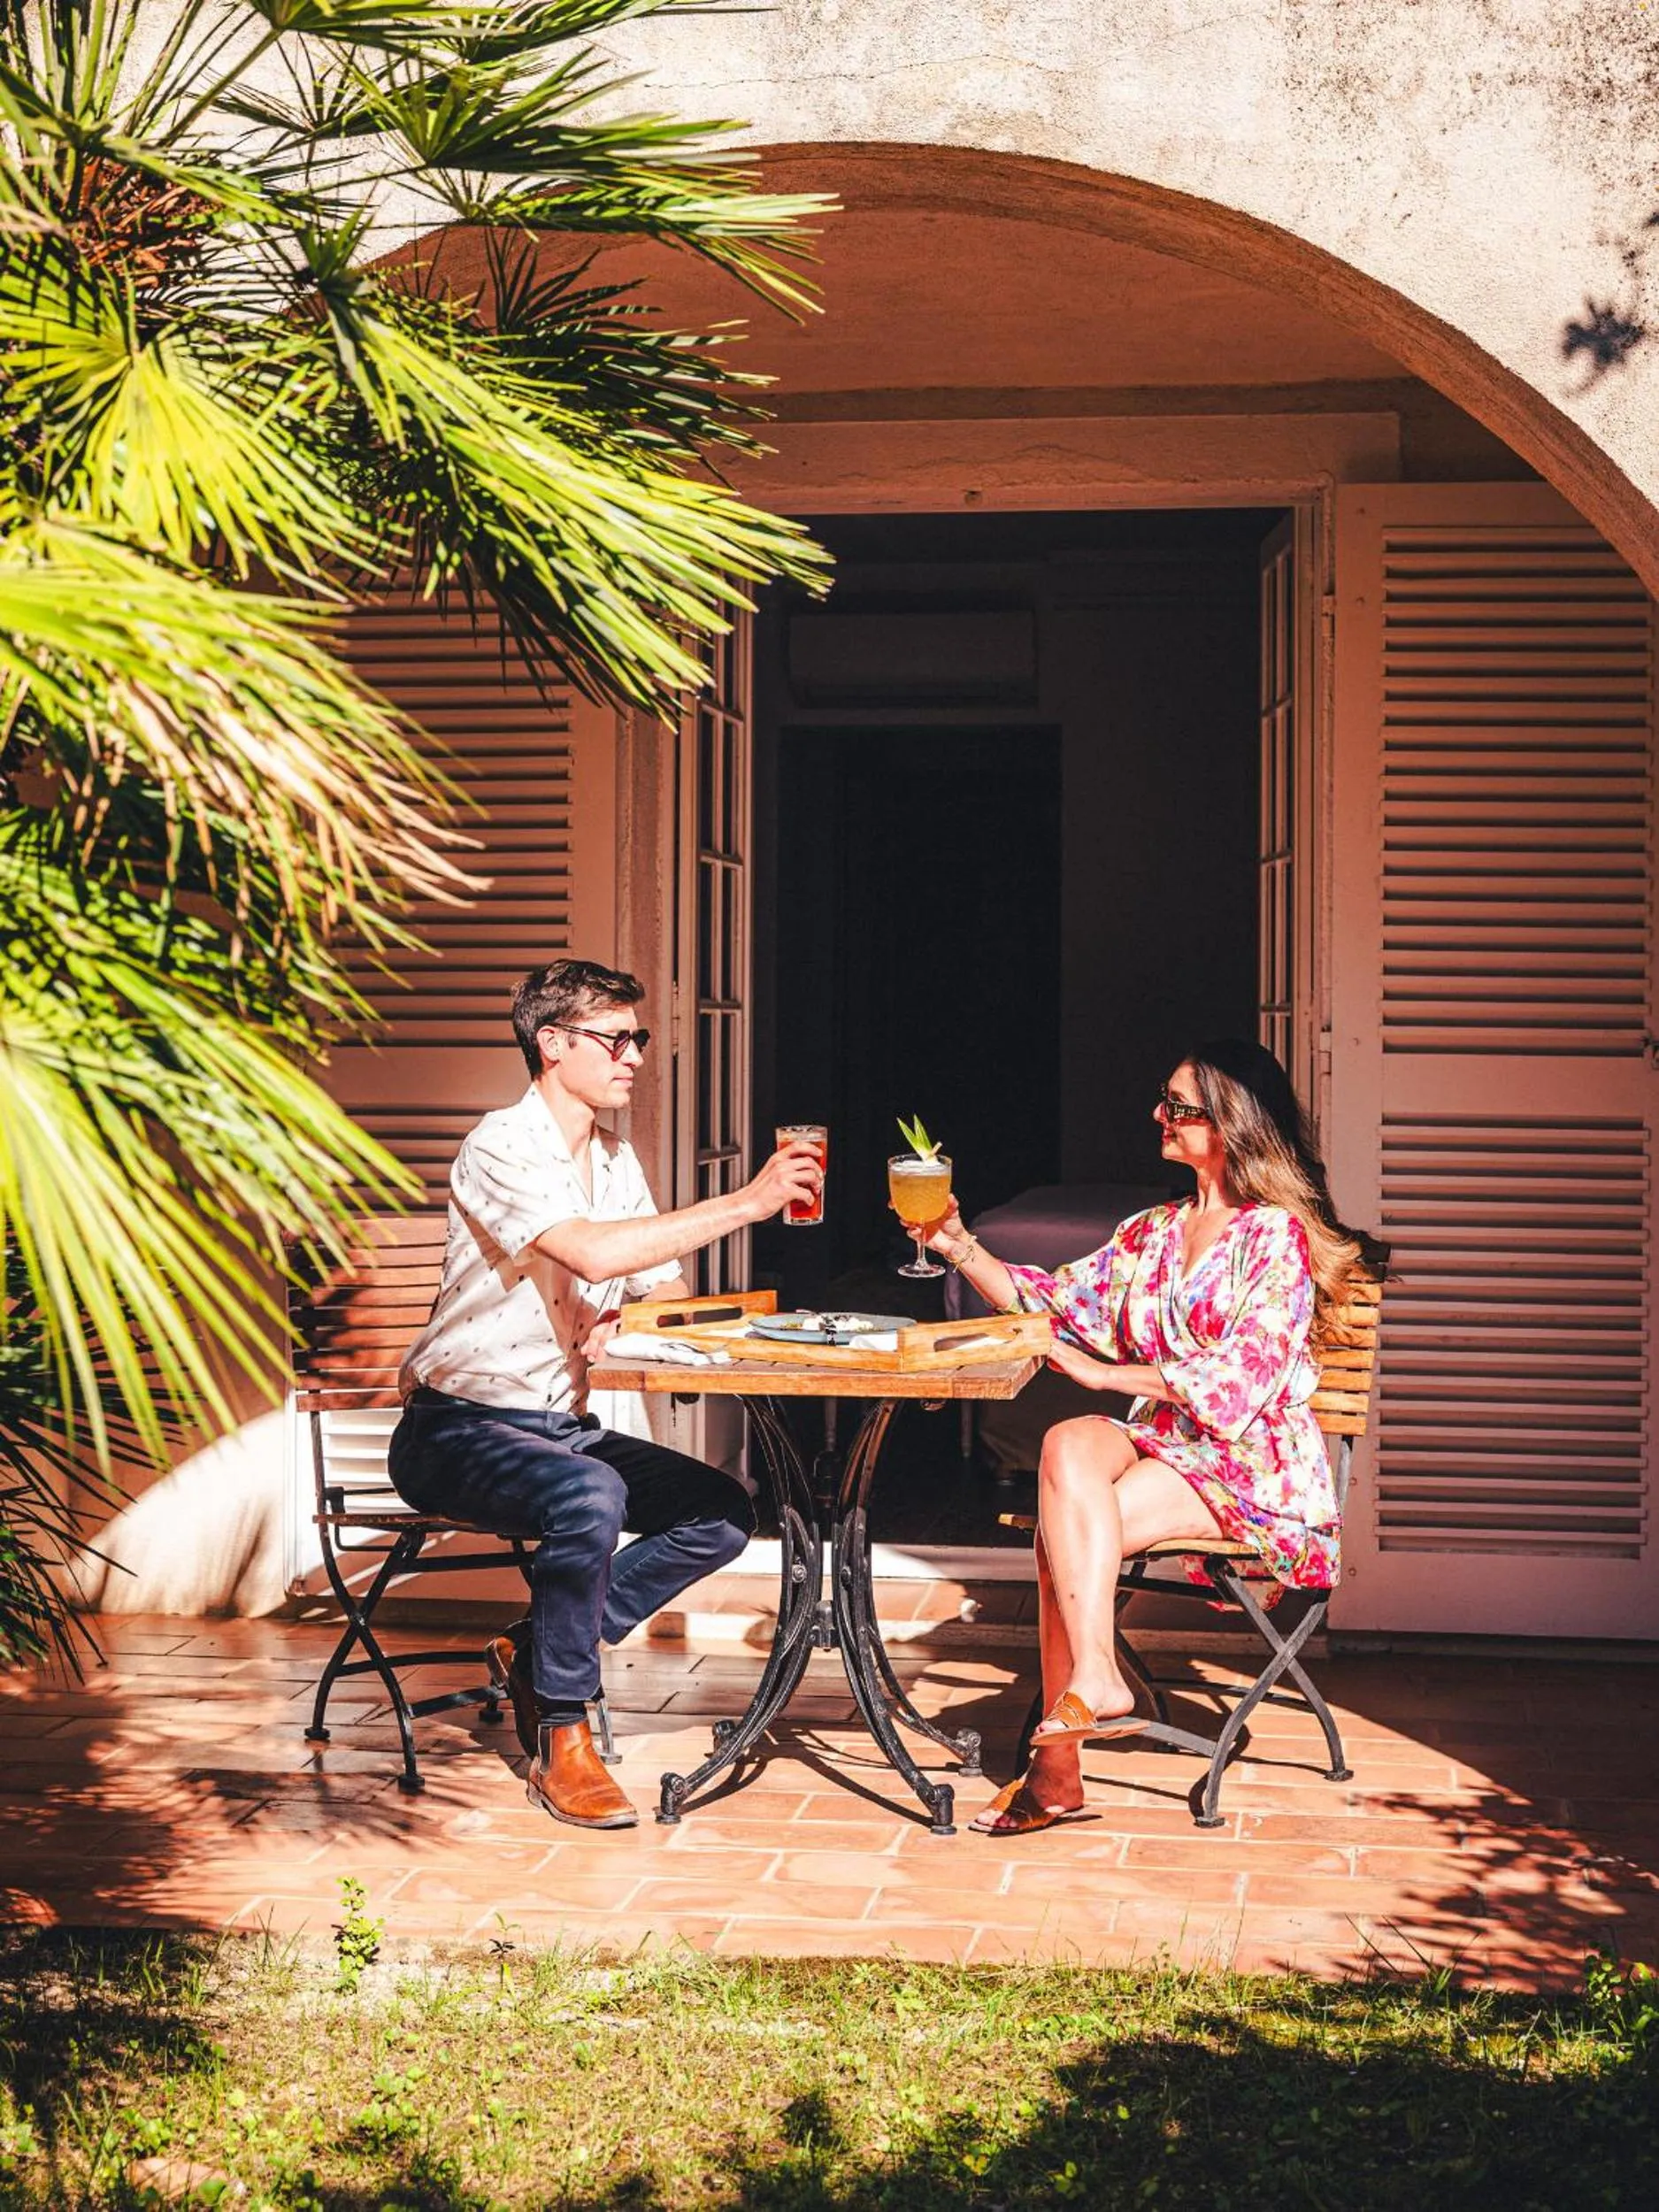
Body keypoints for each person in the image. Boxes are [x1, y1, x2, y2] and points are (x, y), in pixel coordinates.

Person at [388, 958, 822, 1832]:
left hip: (559, 1429)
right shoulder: (502, 1143)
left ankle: (538, 1645)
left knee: (721, 1509)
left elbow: (648, 1285)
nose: (634, 1056)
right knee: (592, 1494)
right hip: (458, 1429)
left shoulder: (615, 1157)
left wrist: (626, 1315)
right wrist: (748, 1202)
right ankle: (562, 1733)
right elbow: (587, 1250)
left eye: (638, 1039)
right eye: (615, 1038)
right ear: (552, 1045)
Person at [918, 1039, 1366, 1838]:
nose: (1156, 1115)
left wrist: (1105, 1377)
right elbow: (1054, 1306)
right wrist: (959, 1245)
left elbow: (1241, 1382)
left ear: (1231, 1124)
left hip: (1247, 1459)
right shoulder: (1153, 1232)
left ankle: (1055, 1771)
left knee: (1071, 1526)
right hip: (1165, 1443)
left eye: (1178, 1107)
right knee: (1067, 1447)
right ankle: (1097, 1673)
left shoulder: (1275, 1239)